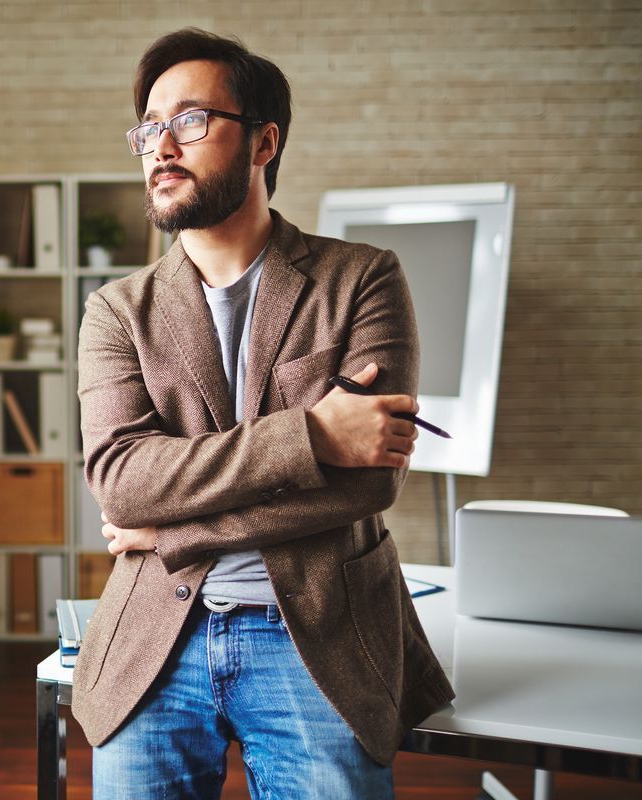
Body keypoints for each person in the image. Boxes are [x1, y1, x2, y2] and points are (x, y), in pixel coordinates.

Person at [74, 27, 455, 799]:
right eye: (148, 128)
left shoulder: (362, 280)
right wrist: (314, 434)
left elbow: (365, 486)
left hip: (318, 633)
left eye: (188, 120)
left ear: (262, 141)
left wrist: (174, 530)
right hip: (156, 636)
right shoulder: (117, 311)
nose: (160, 147)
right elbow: (122, 483)